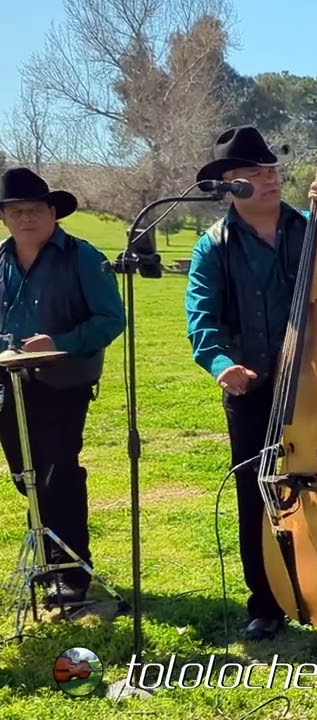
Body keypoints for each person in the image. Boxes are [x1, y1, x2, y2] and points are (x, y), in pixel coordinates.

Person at [183, 125, 317, 640]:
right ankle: (265, 600)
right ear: (230, 185)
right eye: (254, 173)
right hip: (252, 386)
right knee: (257, 491)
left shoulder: (307, 227)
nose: (269, 180)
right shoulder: (213, 247)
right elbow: (202, 320)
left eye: (272, 171)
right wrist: (221, 364)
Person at [0, 166, 125, 607]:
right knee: (25, 477)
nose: (25, 218)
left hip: (63, 383)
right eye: (15, 211)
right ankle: (50, 562)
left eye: (34, 209)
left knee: (58, 474)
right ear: (5, 217)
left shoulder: (82, 257)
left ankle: (72, 572)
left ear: (53, 212)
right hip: (9, 386)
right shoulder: (0, 260)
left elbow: (112, 319)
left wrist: (61, 343)